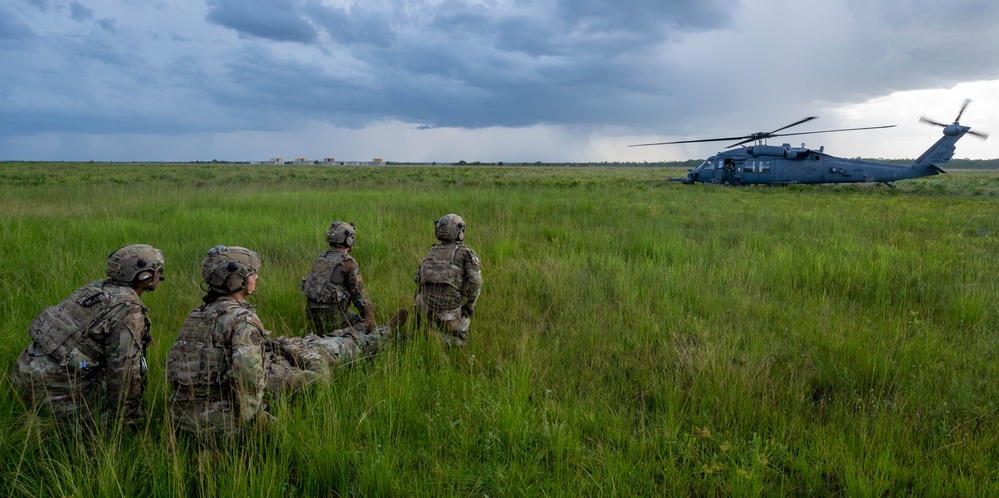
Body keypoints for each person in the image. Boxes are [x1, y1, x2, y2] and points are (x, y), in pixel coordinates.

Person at [10, 244, 165, 431]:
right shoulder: (128, 310)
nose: (159, 276)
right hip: (53, 390)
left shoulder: (95, 288)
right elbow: (125, 375)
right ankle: (46, 427)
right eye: (158, 271)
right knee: (109, 421)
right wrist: (130, 421)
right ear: (145, 276)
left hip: (22, 376)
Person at [166, 245, 271, 437]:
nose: (256, 277)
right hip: (218, 424)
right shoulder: (242, 319)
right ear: (237, 279)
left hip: (179, 418)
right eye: (252, 273)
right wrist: (253, 424)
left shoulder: (197, 314)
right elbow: (247, 375)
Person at [413, 214, 482, 346]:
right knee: (463, 337)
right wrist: (470, 304)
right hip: (449, 313)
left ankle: (426, 331)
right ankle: (444, 340)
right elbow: (476, 281)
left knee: (420, 300)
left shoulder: (431, 251)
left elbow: (417, 278)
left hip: (425, 308)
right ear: (458, 231)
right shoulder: (466, 253)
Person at [301, 221, 377, 335]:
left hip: (311, 314)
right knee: (361, 325)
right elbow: (359, 296)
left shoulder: (321, 257)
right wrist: (369, 316)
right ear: (348, 240)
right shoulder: (349, 263)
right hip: (333, 316)